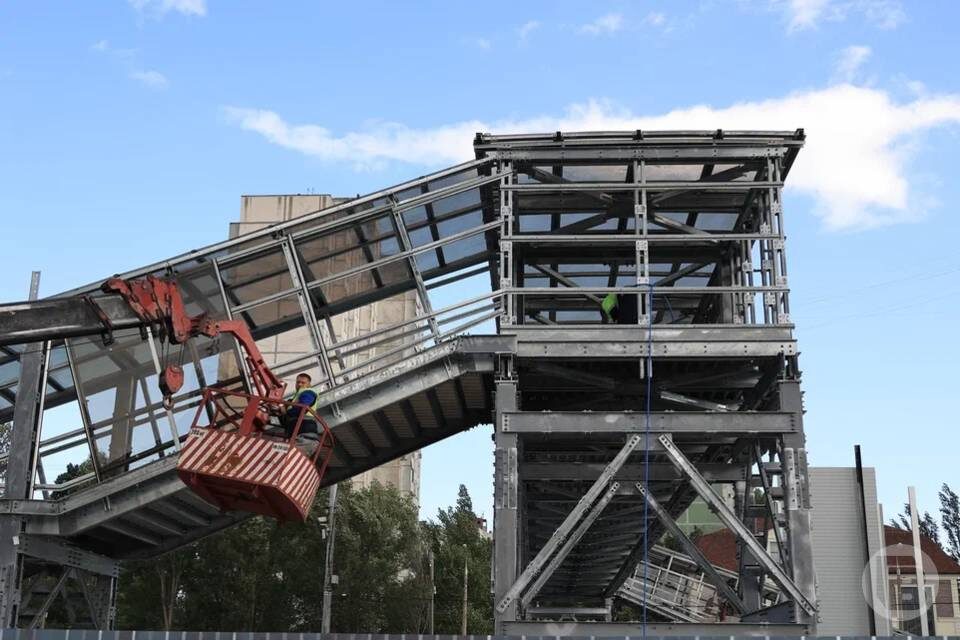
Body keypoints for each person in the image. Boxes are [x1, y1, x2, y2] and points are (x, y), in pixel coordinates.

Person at [283, 372, 319, 440]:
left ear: (309, 384)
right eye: (298, 382)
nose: (299, 384)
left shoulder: (309, 393)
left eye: (303, 383)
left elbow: (301, 408)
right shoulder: (297, 397)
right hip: (300, 433)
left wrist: (286, 411)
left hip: (305, 434)